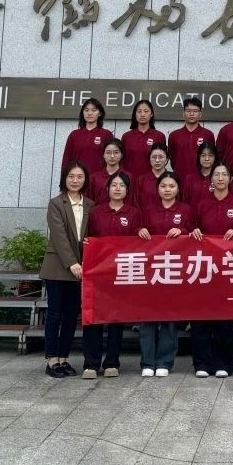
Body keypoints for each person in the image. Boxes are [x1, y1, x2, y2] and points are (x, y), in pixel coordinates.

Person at [82, 172, 140, 379]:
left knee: (116, 319)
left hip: (120, 272)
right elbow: (89, 238)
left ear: (127, 190)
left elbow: (136, 242)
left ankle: (112, 363)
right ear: (107, 189)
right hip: (98, 272)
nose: (117, 189)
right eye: (114, 185)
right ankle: (91, 363)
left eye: (121, 185)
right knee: (93, 317)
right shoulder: (96, 212)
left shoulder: (133, 213)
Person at [136, 172, 192, 377]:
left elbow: (195, 234)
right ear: (157, 189)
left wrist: (183, 231)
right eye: (163, 186)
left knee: (170, 318)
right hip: (151, 271)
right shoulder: (148, 211)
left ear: (178, 189)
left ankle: (165, 362)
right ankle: (147, 362)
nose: (167, 189)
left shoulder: (186, 210)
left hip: (175, 270)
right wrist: (139, 230)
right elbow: (136, 234)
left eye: (171, 186)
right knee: (148, 317)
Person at [191, 164, 233, 378]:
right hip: (204, 268)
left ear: (230, 179)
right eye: (216, 175)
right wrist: (193, 231)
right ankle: (202, 363)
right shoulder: (201, 204)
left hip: (229, 268)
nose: (220, 178)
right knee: (201, 317)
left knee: (224, 319)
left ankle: (224, 363)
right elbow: (192, 227)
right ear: (210, 179)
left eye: (224, 174)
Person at [40, 162, 90, 378]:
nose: (75, 180)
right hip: (59, 267)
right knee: (54, 314)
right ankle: (52, 359)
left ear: (85, 179)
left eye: (79, 176)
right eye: (71, 176)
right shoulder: (56, 203)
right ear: (64, 179)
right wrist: (72, 263)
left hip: (81, 268)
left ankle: (63, 358)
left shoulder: (90, 205)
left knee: (71, 315)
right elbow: (59, 236)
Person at [168, 97, 216, 186]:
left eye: (195, 111)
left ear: (200, 114)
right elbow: (173, 159)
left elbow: (212, 158)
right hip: (179, 180)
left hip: (201, 181)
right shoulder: (174, 135)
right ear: (183, 113)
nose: (191, 114)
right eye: (188, 111)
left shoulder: (208, 135)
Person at [61, 97, 113, 173]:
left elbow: (111, 160)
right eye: (86, 110)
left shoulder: (106, 134)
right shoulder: (74, 135)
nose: (90, 113)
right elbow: (66, 159)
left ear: (100, 113)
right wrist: (64, 177)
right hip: (77, 178)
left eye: (94, 110)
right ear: (82, 113)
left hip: (98, 178)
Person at [121, 99, 166, 180]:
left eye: (146, 111)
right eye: (139, 111)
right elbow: (121, 160)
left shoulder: (159, 136)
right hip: (129, 180)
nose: (142, 114)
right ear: (135, 114)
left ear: (151, 114)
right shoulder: (126, 137)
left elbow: (163, 160)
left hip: (151, 181)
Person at [86, 138, 126, 206]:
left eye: (116, 152)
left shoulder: (129, 177)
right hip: (97, 212)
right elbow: (88, 203)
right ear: (103, 154)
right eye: (108, 152)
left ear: (122, 154)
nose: (112, 156)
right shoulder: (94, 178)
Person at [182, 141, 219, 212]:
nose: (207, 159)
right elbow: (185, 203)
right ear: (198, 157)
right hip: (193, 216)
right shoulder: (190, 179)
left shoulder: (219, 179)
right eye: (203, 155)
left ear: (215, 158)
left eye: (210, 155)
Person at [135, 146, 170, 210]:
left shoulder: (172, 179)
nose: (157, 160)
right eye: (154, 157)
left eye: (161, 157)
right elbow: (136, 203)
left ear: (166, 160)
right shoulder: (141, 180)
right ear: (149, 159)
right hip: (145, 215)